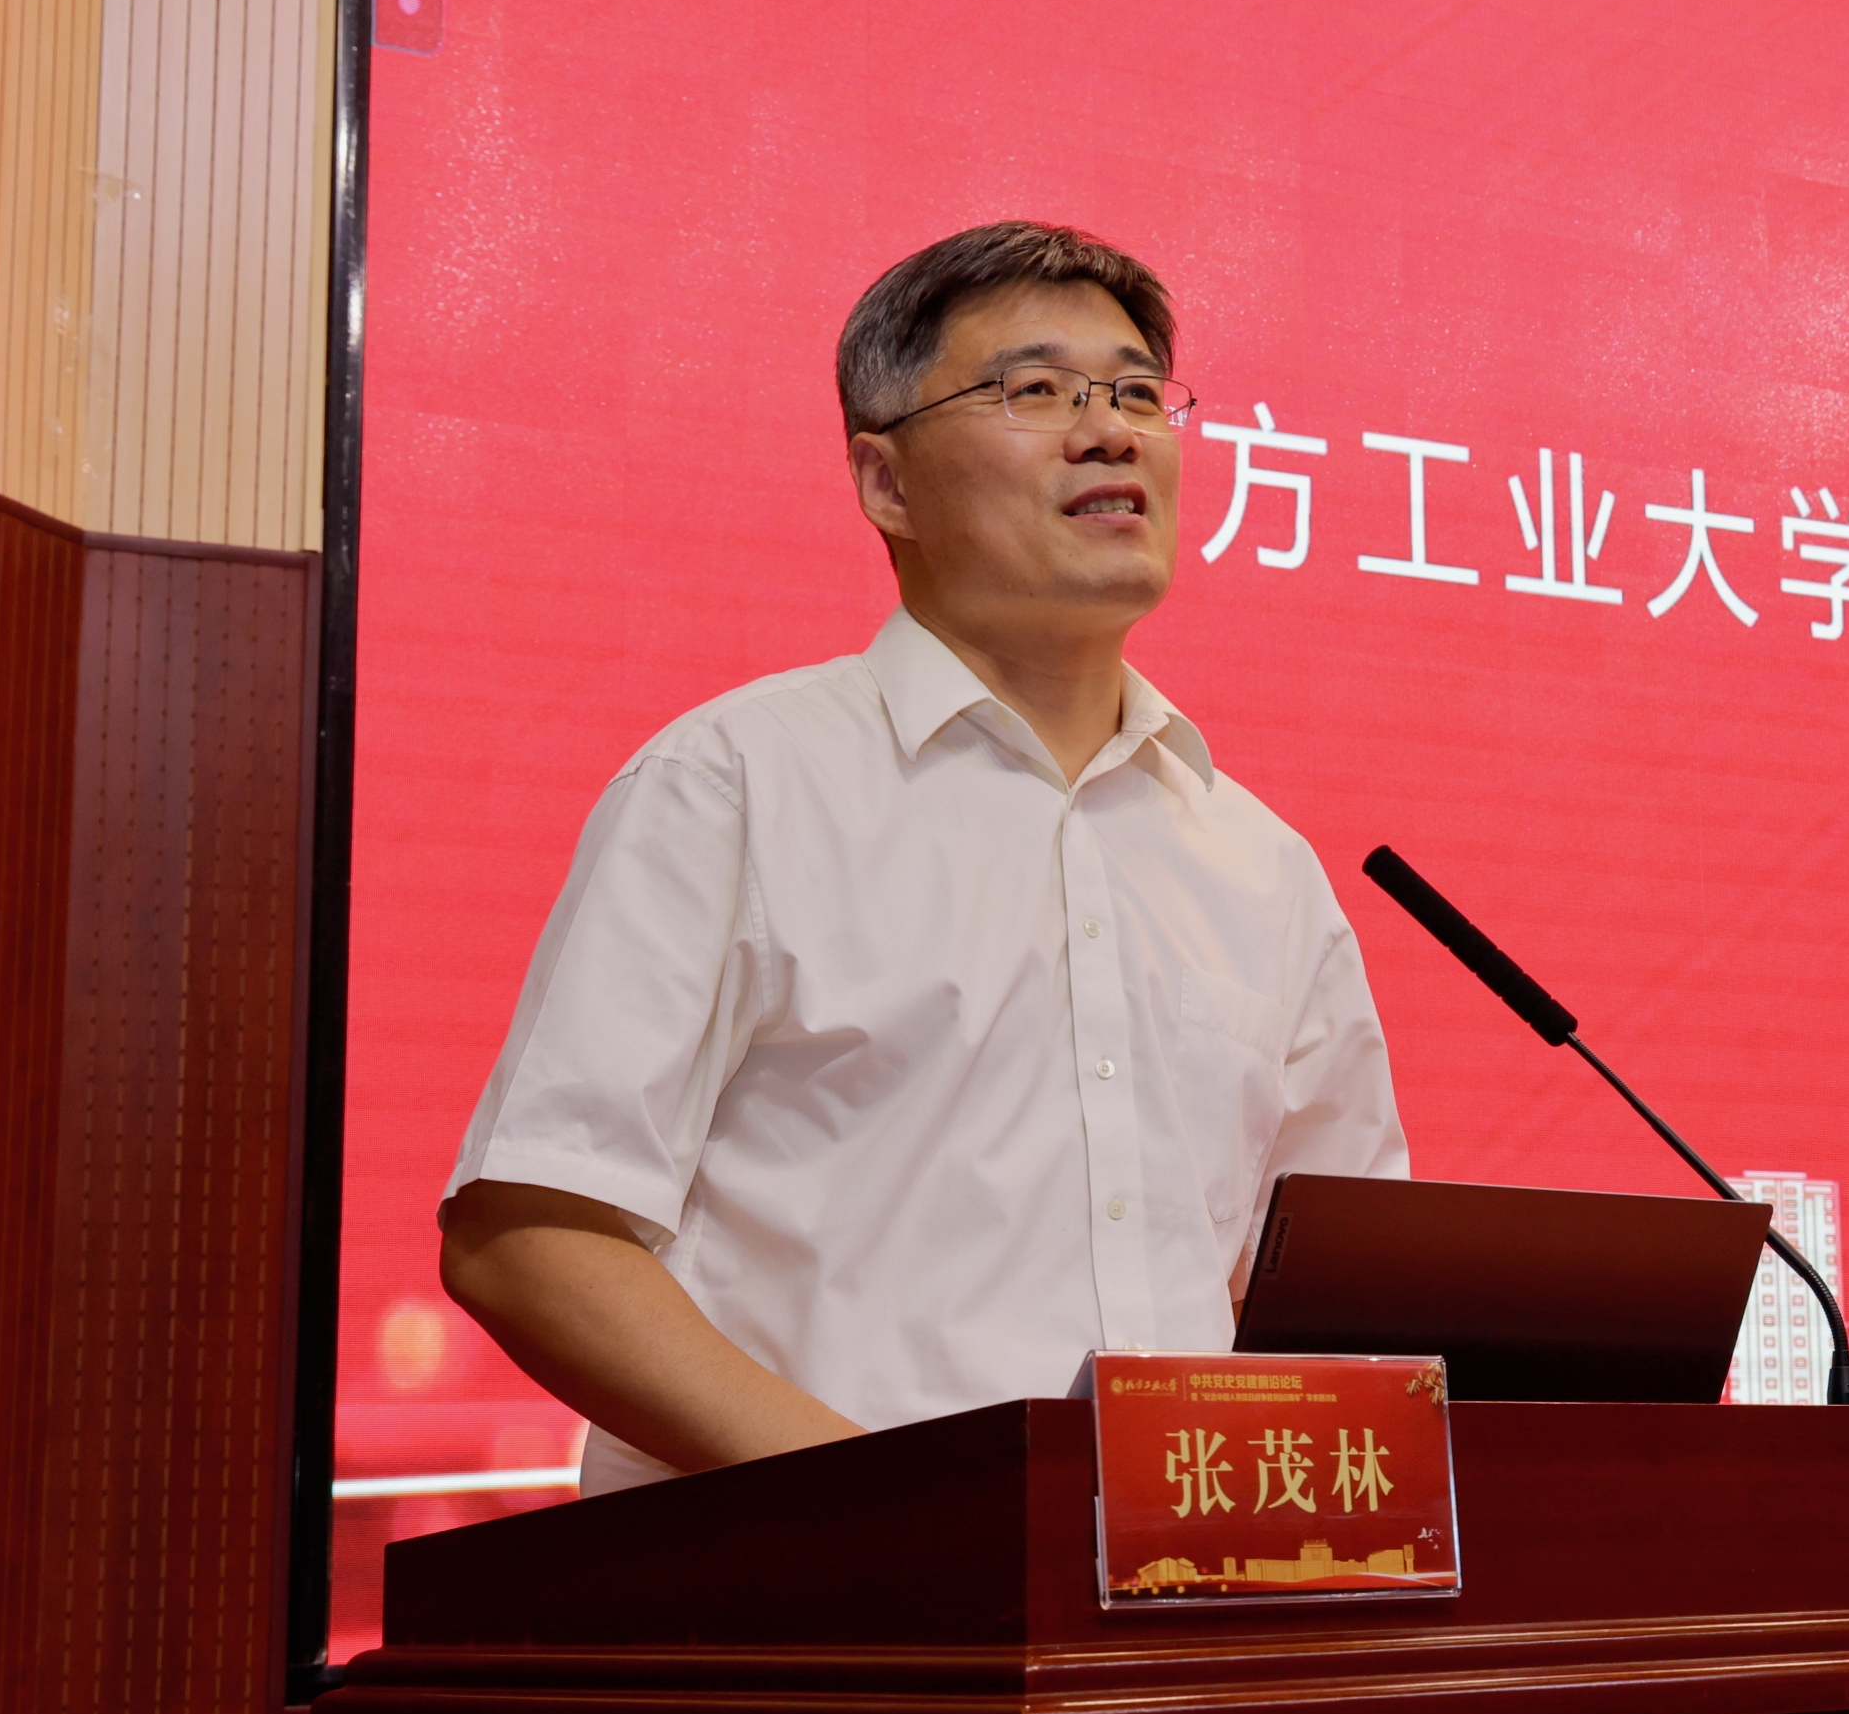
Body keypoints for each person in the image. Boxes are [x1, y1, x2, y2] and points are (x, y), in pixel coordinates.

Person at [438, 220, 1404, 1493]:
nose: (1109, 432)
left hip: (1167, 1592)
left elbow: (1348, 1306)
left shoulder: (1260, 864)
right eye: (1037, 390)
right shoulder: (735, 782)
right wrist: (895, 1512)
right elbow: (530, 1231)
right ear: (884, 481)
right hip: (815, 1587)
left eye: (1136, 393)